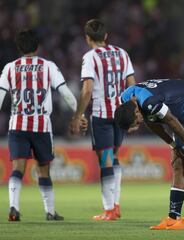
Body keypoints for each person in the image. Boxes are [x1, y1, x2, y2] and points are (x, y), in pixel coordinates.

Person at [0, 29, 85, 221]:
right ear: (37, 46)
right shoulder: (48, 66)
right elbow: (65, 92)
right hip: (41, 127)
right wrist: (78, 114)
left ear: (19, 48)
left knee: (18, 169)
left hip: (18, 126)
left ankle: (13, 207)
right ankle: (50, 212)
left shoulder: (10, 67)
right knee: (43, 170)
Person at [114, 79, 184, 230]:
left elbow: (170, 119)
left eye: (136, 123)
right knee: (178, 163)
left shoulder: (149, 102)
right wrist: (173, 145)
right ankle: (173, 217)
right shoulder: (125, 99)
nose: (138, 126)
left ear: (136, 111)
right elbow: (151, 122)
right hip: (182, 117)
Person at [70, 19, 136, 221]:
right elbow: (132, 85)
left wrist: (77, 115)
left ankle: (109, 210)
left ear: (87, 38)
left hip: (101, 115)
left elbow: (88, 89)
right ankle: (115, 206)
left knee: (105, 160)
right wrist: (134, 114)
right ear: (106, 36)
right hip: (121, 114)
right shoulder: (122, 54)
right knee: (114, 158)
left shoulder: (89, 57)